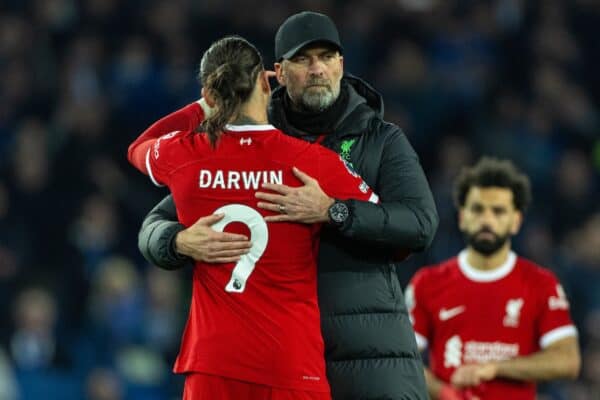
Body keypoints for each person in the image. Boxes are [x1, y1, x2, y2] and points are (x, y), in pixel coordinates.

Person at [137, 11, 438, 400]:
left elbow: (419, 224)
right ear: (277, 73)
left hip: (367, 353)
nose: (317, 69)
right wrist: (177, 241)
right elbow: (156, 222)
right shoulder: (242, 141)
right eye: (303, 59)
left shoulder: (381, 140)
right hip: (271, 353)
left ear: (342, 65)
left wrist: (334, 210)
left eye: (327, 57)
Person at [406, 157, 581, 400]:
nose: (487, 220)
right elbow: (402, 361)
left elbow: (567, 361)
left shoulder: (541, 283)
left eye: (498, 211)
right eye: (477, 209)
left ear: (516, 221)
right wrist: (445, 393)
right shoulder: (427, 282)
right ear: (462, 217)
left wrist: (496, 368)